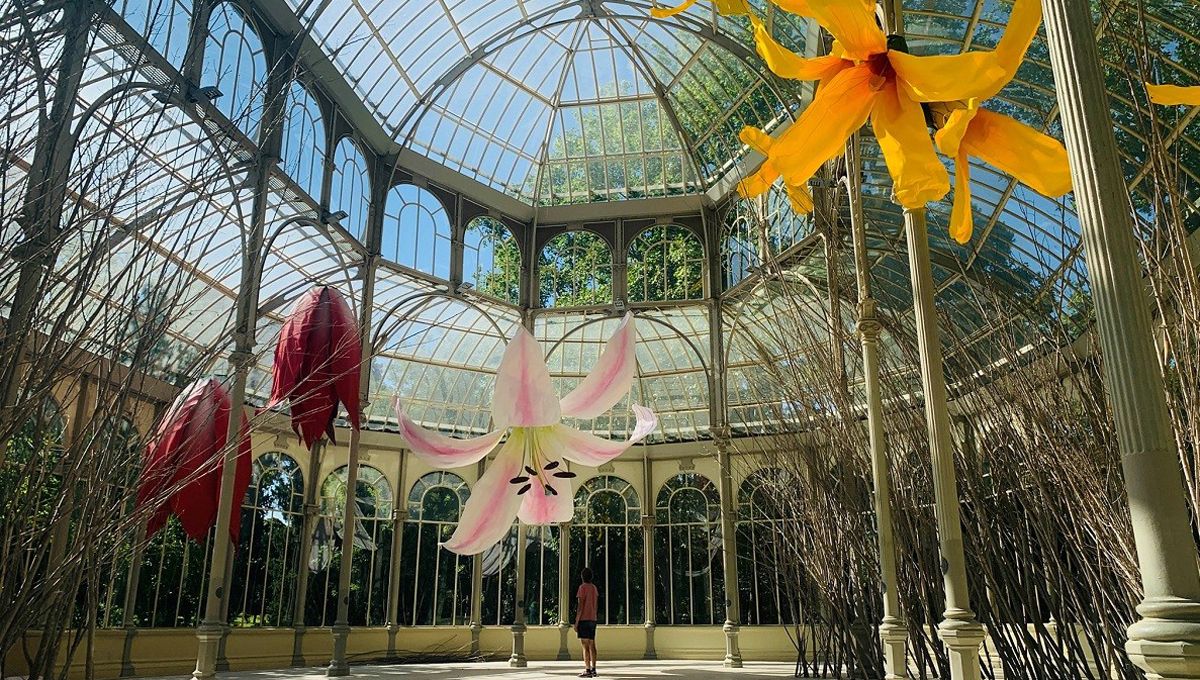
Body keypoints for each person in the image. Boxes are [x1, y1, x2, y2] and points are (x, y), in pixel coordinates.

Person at [575, 567, 599, 677]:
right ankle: (594, 668)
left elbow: (580, 606)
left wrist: (576, 621)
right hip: (593, 619)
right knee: (592, 644)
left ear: (582, 577)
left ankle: (587, 669)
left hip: (584, 619)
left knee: (585, 646)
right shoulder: (594, 588)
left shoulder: (582, 588)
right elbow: (596, 604)